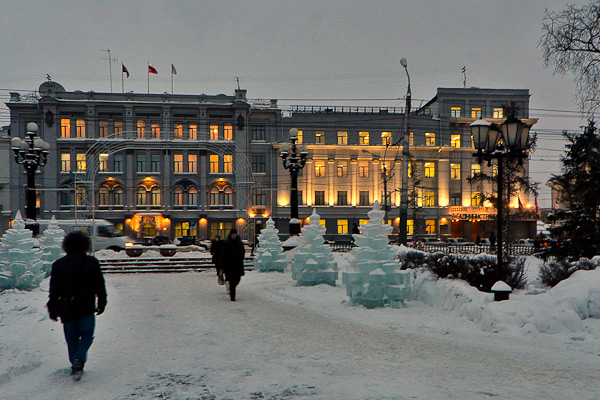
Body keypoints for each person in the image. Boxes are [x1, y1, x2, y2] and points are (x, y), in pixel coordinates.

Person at [47, 231, 107, 380]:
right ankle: (79, 358)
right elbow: (99, 284)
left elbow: (53, 290)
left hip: (66, 306)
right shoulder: (91, 262)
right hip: (86, 304)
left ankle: (74, 359)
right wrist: (102, 300)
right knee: (87, 335)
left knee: (71, 337)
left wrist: (52, 307)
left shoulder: (58, 265)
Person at [220, 229, 245, 301]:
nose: (234, 235)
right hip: (229, 265)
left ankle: (232, 288)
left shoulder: (239, 243)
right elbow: (223, 255)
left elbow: (242, 253)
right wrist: (222, 266)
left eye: (235, 234)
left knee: (237, 279)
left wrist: (241, 259)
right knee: (231, 280)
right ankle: (232, 296)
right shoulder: (226, 243)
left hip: (238, 264)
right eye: (233, 234)